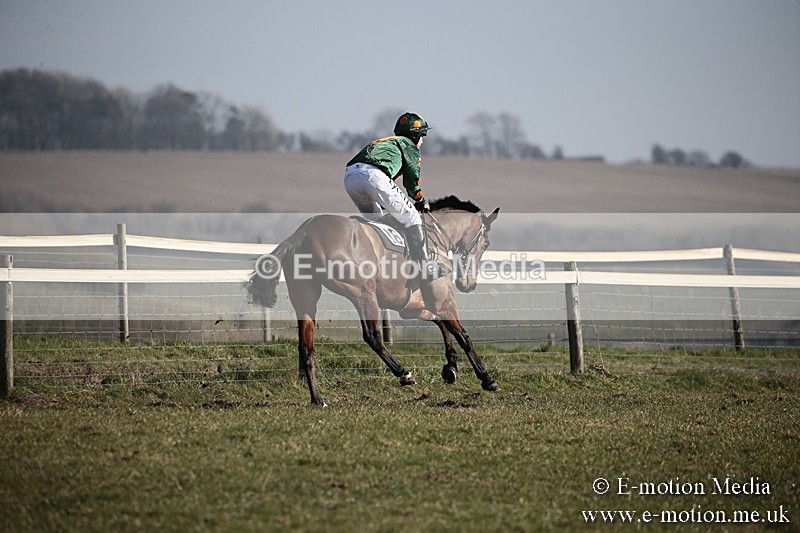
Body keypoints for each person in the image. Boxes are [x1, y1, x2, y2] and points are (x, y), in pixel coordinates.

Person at [344, 112, 448, 282]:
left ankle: (379, 264)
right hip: (373, 176)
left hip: (349, 177)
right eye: (422, 136)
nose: (422, 141)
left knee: (377, 221)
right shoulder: (409, 146)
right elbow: (411, 182)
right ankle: (424, 267)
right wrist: (420, 200)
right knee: (413, 217)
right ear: (414, 135)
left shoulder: (387, 141)